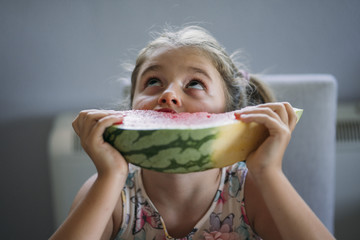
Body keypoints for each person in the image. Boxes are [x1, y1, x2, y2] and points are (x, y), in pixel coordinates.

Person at [50, 26, 334, 240]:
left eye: (195, 84)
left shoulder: (249, 189)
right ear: (131, 106)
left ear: (229, 110)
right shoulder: (112, 191)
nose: (169, 94)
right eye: (153, 81)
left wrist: (269, 172)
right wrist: (110, 175)